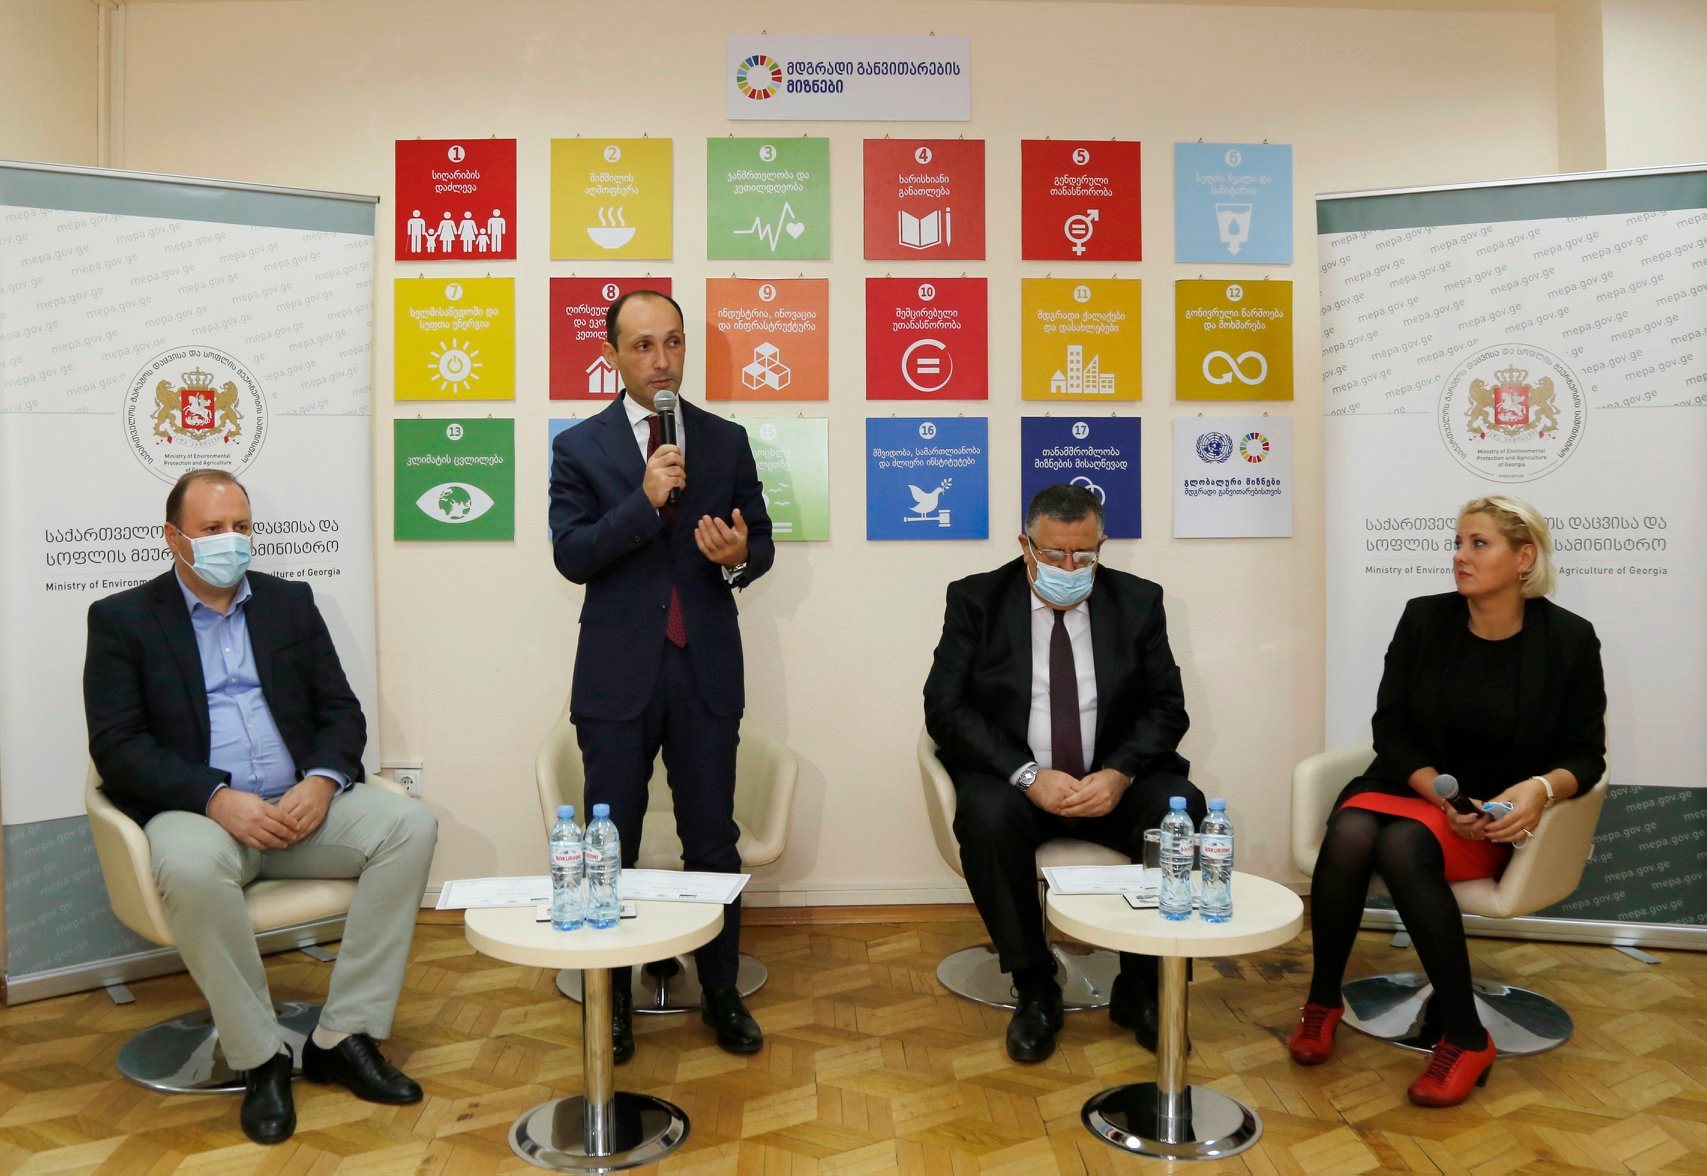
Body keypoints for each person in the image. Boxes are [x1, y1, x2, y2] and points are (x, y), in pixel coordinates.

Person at [83, 469, 438, 1146]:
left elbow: (340, 711)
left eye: (241, 527)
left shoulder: (289, 603)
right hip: (199, 815)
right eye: (213, 528)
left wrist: (323, 782)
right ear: (174, 538)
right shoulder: (123, 619)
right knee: (189, 867)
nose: (231, 540)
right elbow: (118, 746)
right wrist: (215, 798)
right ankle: (259, 1056)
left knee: (410, 824)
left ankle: (345, 1035)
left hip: (300, 810)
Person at [1290, 495, 1606, 1107]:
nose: (1460, 556)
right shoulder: (1424, 619)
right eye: (1458, 542)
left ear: (1524, 558)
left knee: (1401, 843)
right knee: (1352, 829)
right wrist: (1437, 792)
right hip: (1412, 785)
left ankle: (1464, 1035)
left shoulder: (1568, 640)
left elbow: (1585, 754)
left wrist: (1540, 790)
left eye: (1478, 544)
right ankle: (1322, 999)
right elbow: (1390, 727)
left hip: (1493, 816)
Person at [548, 290, 774, 1062]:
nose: (662, 360)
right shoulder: (579, 447)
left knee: (712, 837)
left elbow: (759, 540)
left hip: (703, 669)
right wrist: (643, 503)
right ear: (611, 355)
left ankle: (720, 991)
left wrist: (738, 557)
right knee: (610, 840)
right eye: (642, 345)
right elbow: (572, 555)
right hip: (617, 676)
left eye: (673, 342)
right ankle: (609, 998)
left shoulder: (726, 440)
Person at [924, 484, 1205, 1062]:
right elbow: (944, 708)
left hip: (1108, 784)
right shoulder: (976, 599)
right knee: (985, 816)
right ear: (1025, 544)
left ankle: (1141, 985)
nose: (1070, 568)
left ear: (1102, 545)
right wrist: (1027, 776)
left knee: (1181, 806)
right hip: (1019, 784)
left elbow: (1167, 708)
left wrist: (1120, 774)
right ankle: (1034, 986)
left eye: (1084, 554)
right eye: (1054, 554)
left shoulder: (1138, 601)